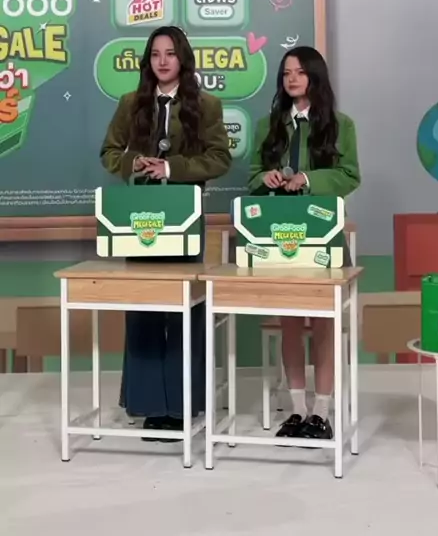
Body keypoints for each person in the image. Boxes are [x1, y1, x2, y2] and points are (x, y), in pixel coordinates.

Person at [100, 25, 231, 440]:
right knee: (144, 308)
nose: (162, 61)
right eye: (155, 54)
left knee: (184, 309)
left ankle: (182, 404)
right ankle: (150, 406)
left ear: (182, 59)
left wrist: (172, 168)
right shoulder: (130, 103)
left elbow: (219, 159)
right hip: (140, 221)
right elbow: (109, 152)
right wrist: (135, 163)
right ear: (148, 60)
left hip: (184, 217)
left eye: (170, 53)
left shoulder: (206, 105)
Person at [248, 46, 360, 440]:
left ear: (315, 76)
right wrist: (266, 178)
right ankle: (297, 411)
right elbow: (252, 176)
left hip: (323, 234)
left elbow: (350, 176)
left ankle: (322, 414)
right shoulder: (268, 126)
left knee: (325, 323)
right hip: (281, 238)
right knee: (291, 323)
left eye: (298, 72)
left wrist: (309, 180)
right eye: (286, 73)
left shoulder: (340, 125)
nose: (291, 79)